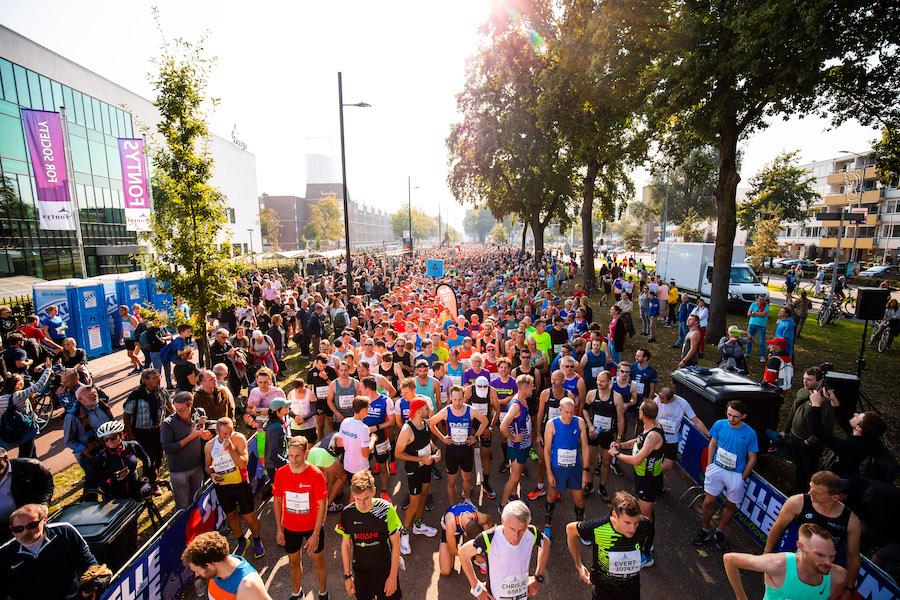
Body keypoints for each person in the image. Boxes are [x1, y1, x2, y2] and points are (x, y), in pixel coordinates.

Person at [764, 471, 861, 594]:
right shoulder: (797, 502)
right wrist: (767, 552)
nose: (810, 493)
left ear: (835, 497)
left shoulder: (851, 521)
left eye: (817, 492)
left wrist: (849, 588)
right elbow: (778, 526)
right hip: (791, 560)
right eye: (810, 487)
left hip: (820, 572)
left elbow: (853, 556)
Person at [692, 400, 758, 550]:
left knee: (730, 506)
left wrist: (743, 476)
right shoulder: (719, 424)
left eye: (735, 416)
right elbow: (713, 443)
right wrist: (710, 464)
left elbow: (752, 457)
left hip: (735, 475)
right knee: (708, 502)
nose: (731, 419)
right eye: (729, 414)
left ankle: (720, 531)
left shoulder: (750, 433)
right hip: (717, 469)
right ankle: (705, 530)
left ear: (744, 416)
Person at [566, 491, 655, 600]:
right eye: (627, 523)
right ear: (614, 516)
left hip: (632, 592)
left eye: (635, 523)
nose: (633, 529)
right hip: (603, 594)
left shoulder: (644, 525)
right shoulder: (598, 527)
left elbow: (648, 533)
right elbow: (570, 530)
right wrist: (578, 565)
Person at [724, 523, 847, 600]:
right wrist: (741, 597)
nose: (828, 562)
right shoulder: (778, 564)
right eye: (820, 555)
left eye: (831, 556)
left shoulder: (839, 577)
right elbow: (730, 559)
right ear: (800, 547)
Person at [0, 503, 97, 600]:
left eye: (32, 525)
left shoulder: (65, 532)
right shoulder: (4, 553)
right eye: (18, 529)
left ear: (45, 520)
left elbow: (87, 560)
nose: (25, 532)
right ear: (12, 530)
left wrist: (92, 584)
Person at [272, 436, 329, 600]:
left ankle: (323, 592)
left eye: (297, 456)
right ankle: (296, 592)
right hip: (290, 527)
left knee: (318, 562)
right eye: (290, 455)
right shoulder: (281, 473)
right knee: (293, 563)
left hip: (312, 527)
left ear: (306, 454)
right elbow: (277, 500)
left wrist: (316, 533)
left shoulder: (316, 475)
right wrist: (279, 528)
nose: (293, 459)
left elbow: (322, 505)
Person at [458, 501, 550, 600]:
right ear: (503, 521)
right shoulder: (489, 538)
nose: (516, 536)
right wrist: (476, 587)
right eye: (512, 529)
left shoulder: (532, 533)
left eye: (521, 530)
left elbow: (546, 543)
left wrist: (538, 577)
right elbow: (463, 552)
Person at [336, 470, 403, 600]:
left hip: (385, 570)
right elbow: (345, 545)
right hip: (361, 573)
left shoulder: (386, 509)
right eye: (357, 499)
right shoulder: (347, 513)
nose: (362, 504)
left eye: (366, 498)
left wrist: (393, 577)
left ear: (373, 491)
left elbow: (396, 544)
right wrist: (347, 576)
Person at [204, 417, 265, 559]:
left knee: (248, 515)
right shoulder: (209, 446)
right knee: (230, 514)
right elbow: (207, 467)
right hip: (223, 485)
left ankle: (257, 539)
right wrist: (212, 475)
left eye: (230, 431)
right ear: (217, 432)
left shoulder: (238, 439)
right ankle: (242, 541)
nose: (228, 436)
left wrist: (231, 448)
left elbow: (243, 464)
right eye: (225, 433)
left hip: (240, 483)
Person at [609, 400, 665, 528]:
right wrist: (620, 445)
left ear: (643, 414)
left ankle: (647, 545)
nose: (638, 410)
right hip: (642, 475)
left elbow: (636, 460)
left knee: (645, 518)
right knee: (644, 511)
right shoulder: (649, 426)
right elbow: (639, 440)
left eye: (640, 409)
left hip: (648, 479)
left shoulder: (653, 435)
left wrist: (616, 454)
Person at [395, 398, 439, 554]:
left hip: (426, 466)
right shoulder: (407, 429)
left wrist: (436, 450)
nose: (429, 410)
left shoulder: (425, 423)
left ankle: (418, 525)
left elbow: (428, 442)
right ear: (419, 411)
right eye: (426, 408)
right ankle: (404, 534)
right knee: (413, 504)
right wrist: (421, 459)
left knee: (424, 496)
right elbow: (398, 453)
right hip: (414, 469)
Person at [542, 397, 589, 541]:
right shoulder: (552, 424)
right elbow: (547, 449)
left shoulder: (579, 422)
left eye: (571, 412)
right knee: (551, 496)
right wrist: (549, 473)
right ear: (560, 410)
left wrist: (585, 471)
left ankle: (580, 527)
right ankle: (547, 525)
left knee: (580, 499)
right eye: (566, 412)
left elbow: (585, 447)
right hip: (557, 469)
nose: (569, 415)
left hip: (575, 469)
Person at [182, 531, 272, 600]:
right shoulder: (216, 568)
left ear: (210, 565)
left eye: (197, 571)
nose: (196, 575)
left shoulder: (247, 586)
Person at [161, 391, 212, 510]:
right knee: (183, 506)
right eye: (176, 409)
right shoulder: (168, 423)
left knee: (198, 499)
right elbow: (168, 449)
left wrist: (207, 435)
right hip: (179, 471)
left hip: (197, 466)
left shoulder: (200, 413)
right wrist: (191, 436)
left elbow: (205, 433)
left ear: (190, 405)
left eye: (181, 410)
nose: (177, 412)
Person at [123, 368, 172, 489]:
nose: (158, 379)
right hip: (140, 432)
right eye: (154, 378)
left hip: (157, 431)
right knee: (150, 457)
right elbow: (126, 415)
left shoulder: (162, 392)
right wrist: (130, 434)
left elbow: (170, 407)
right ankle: (152, 484)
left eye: (159, 376)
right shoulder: (136, 396)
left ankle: (155, 476)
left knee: (159, 455)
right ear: (145, 380)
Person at [583, 370, 626, 499]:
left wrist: (619, 438)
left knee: (605, 463)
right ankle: (590, 484)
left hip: (608, 435)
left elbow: (620, 419)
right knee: (590, 461)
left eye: (602, 381)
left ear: (609, 382)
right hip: (593, 433)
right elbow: (585, 410)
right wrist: (590, 426)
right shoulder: (591, 394)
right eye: (598, 380)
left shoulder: (616, 397)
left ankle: (602, 486)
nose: (599, 383)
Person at [87, 420, 153, 501]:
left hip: (135, 489)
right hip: (114, 496)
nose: (110, 442)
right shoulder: (101, 457)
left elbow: (146, 459)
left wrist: (145, 478)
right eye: (106, 439)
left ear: (121, 435)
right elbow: (92, 480)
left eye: (113, 437)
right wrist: (112, 479)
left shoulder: (132, 446)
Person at [0, 447, 54, 542]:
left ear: (5, 457)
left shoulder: (30, 467)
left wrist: (43, 505)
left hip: (29, 523)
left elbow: (46, 483)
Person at [653, 387, 708, 476]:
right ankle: (650, 478)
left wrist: (709, 435)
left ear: (671, 399)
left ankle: (652, 476)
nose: (661, 401)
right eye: (660, 398)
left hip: (671, 440)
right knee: (652, 461)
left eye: (663, 400)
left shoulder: (682, 403)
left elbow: (696, 420)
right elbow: (650, 415)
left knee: (668, 466)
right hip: (657, 436)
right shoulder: (657, 400)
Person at [499, 374, 534, 511]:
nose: (533, 389)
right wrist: (513, 437)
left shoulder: (523, 399)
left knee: (517, 474)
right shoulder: (516, 405)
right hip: (517, 446)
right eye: (531, 386)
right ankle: (502, 504)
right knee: (514, 476)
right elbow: (503, 426)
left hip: (524, 444)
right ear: (525, 388)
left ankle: (513, 495)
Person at [62, 384, 114, 476]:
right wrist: (84, 449)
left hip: (111, 448)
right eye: (89, 395)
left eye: (94, 393)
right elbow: (68, 440)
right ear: (80, 399)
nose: (94, 396)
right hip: (91, 455)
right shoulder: (72, 416)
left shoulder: (102, 406)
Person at [438, 502, 493, 576]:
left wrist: (487, 543)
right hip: (452, 530)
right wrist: (466, 555)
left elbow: (489, 521)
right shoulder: (450, 524)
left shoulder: (479, 516)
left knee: (485, 538)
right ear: (465, 534)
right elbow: (453, 550)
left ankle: (479, 554)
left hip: (465, 521)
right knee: (446, 571)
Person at [747, 294, 770, 362]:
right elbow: (749, 314)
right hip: (752, 324)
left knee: (761, 341)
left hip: (762, 326)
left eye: (763, 300)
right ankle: (747, 353)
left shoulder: (766, 305)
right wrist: (760, 313)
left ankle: (762, 356)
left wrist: (754, 313)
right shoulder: (753, 304)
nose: (761, 301)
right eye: (760, 299)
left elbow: (764, 314)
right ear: (757, 299)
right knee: (749, 338)